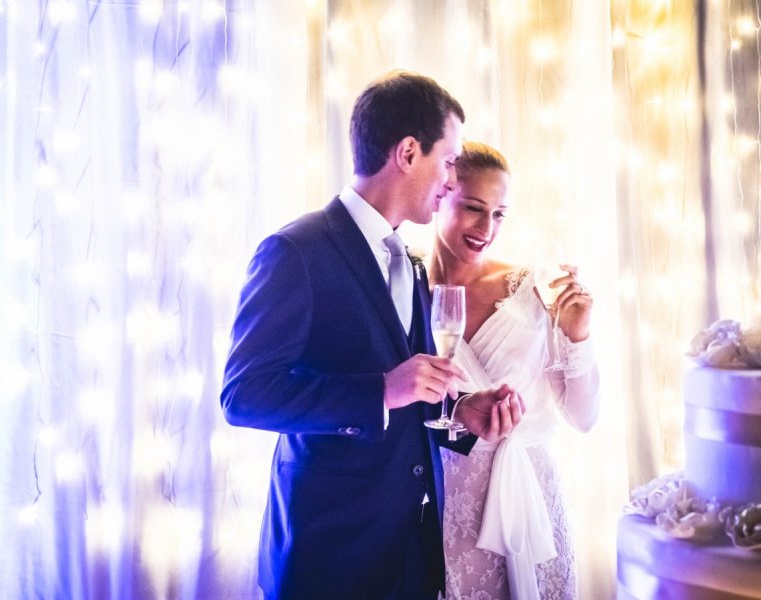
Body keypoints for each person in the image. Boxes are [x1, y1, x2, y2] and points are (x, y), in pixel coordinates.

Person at [221, 73, 525, 600]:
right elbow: (243, 397)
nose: (453, 181)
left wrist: (462, 414)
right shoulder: (295, 252)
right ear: (408, 152)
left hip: (410, 559)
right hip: (329, 557)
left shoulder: (408, 260)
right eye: (449, 161)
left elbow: (414, 397)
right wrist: (381, 390)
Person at [430, 142, 600, 600]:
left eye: (500, 213)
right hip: (448, 507)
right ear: (439, 193)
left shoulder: (531, 290)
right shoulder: (405, 291)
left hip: (532, 503)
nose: (487, 228)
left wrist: (578, 335)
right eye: (473, 207)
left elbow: (583, 418)